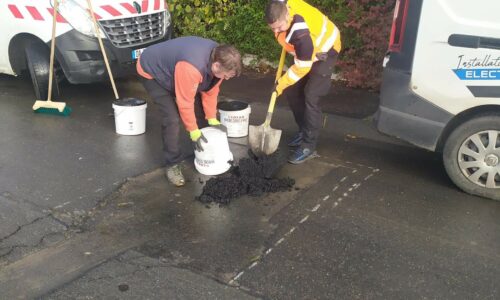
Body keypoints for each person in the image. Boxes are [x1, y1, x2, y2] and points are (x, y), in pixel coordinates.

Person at [136, 36, 242, 186]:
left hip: (177, 69)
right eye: (226, 75)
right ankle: (172, 164)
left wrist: (211, 118)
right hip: (152, 71)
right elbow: (185, 102)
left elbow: (210, 91)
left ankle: (204, 151)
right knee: (171, 118)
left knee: (200, 108)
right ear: (216, 66)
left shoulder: (220, 56)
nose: (226, 79)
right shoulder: (191, 67)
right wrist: (193, 130)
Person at [265, 0, 341, 164]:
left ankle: (308, 145)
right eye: (273, 28)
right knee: (292, 91)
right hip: (307, 51)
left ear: (287, 15)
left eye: (280, 27)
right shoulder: (280, 6)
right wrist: (284, 85)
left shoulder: (301, 34)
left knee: (311, 95)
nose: (277, 30)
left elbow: (302, 67)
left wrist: (280, 84)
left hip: (325, 49)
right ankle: (303, 130)